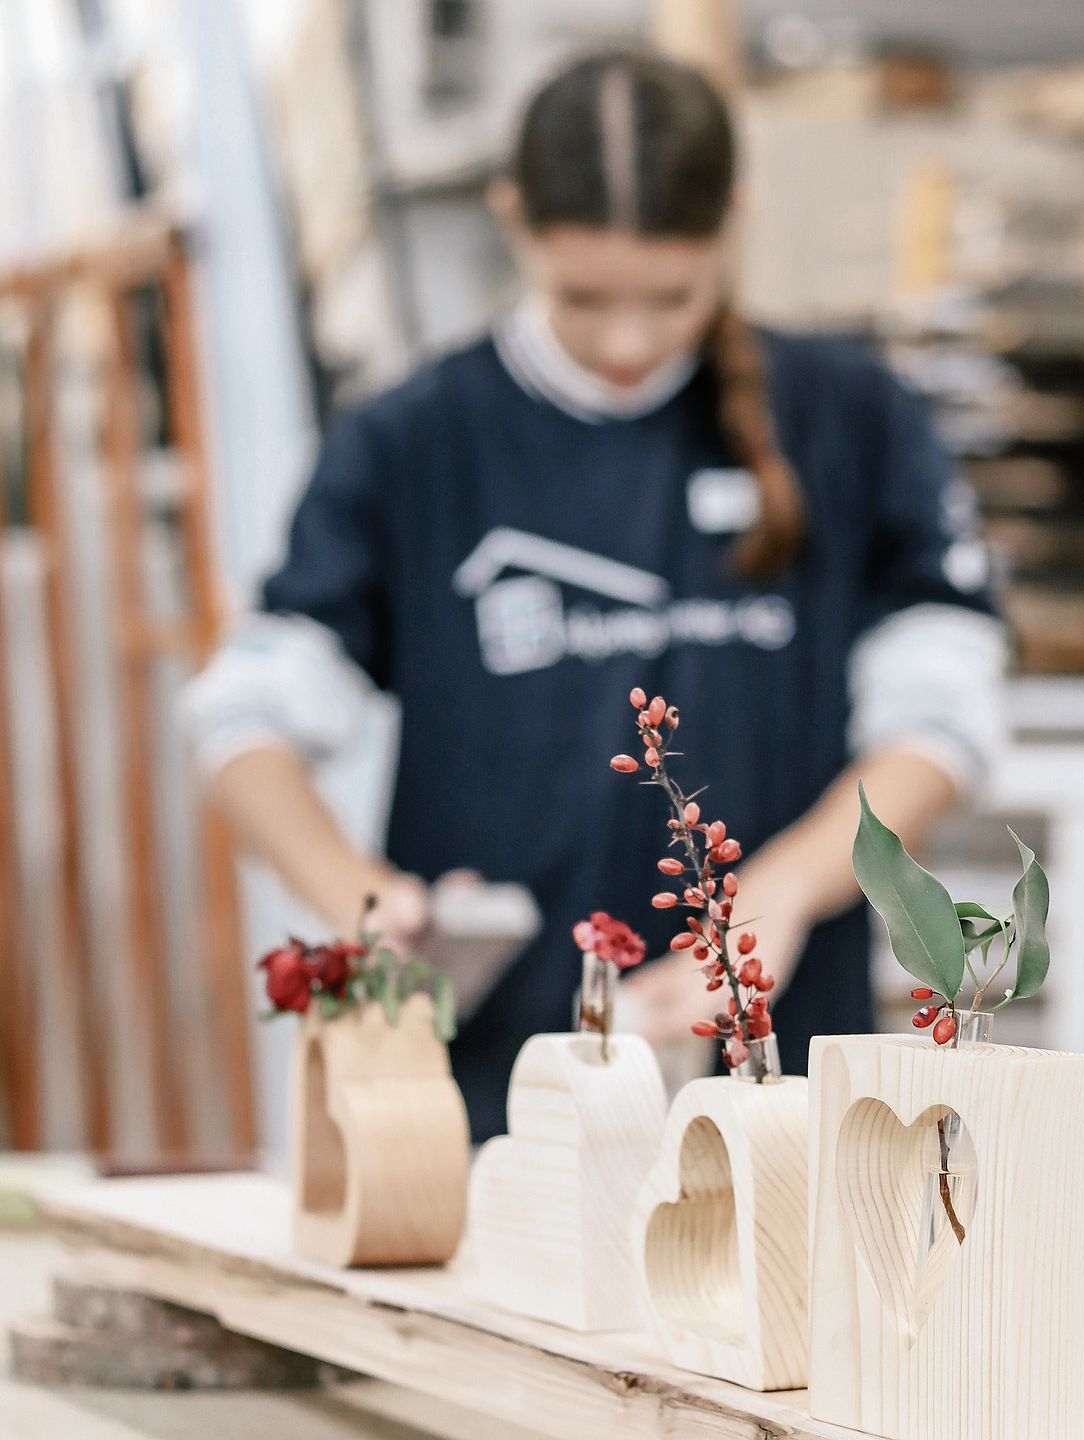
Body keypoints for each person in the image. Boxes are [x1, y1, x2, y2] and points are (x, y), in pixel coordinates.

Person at [183, 49, 1004, 1141]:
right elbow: (243, 720)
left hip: (776, 1096)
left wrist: (781, 895)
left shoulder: (851, 423)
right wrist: (362, 900)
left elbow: (941, 716)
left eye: (670, 298)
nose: (626, 343)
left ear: (733, 224)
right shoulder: (412, 444)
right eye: (582, 297)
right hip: (490, 1109)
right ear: (511, 222)